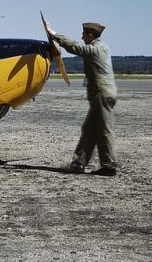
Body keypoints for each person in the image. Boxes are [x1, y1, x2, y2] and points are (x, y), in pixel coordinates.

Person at [43, 19, 118, 176]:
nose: (82, 37)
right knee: (89, 129)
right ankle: (79, 163)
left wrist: (54, 35)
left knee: (104, 129)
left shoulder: (95, 49)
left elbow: (75, 47)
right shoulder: (103, 46)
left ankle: (109, 166)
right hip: (105, 92)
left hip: (101, 94)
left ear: (90, 35)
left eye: (84, 34)